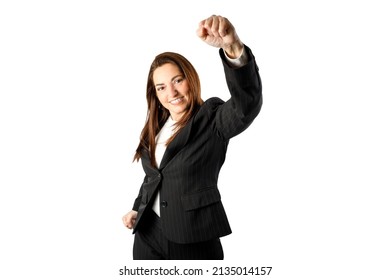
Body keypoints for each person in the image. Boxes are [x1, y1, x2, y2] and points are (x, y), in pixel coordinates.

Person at [122, 15, 262, 260]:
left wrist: (233, 48)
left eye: (177, 80)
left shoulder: (211, 119)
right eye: (161, 87)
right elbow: (154, 175)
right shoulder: (155, 127)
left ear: (191, 79)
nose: (171, 92)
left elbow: (245, 107)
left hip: (193, 237)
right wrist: (137, 208)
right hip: (147, 234)